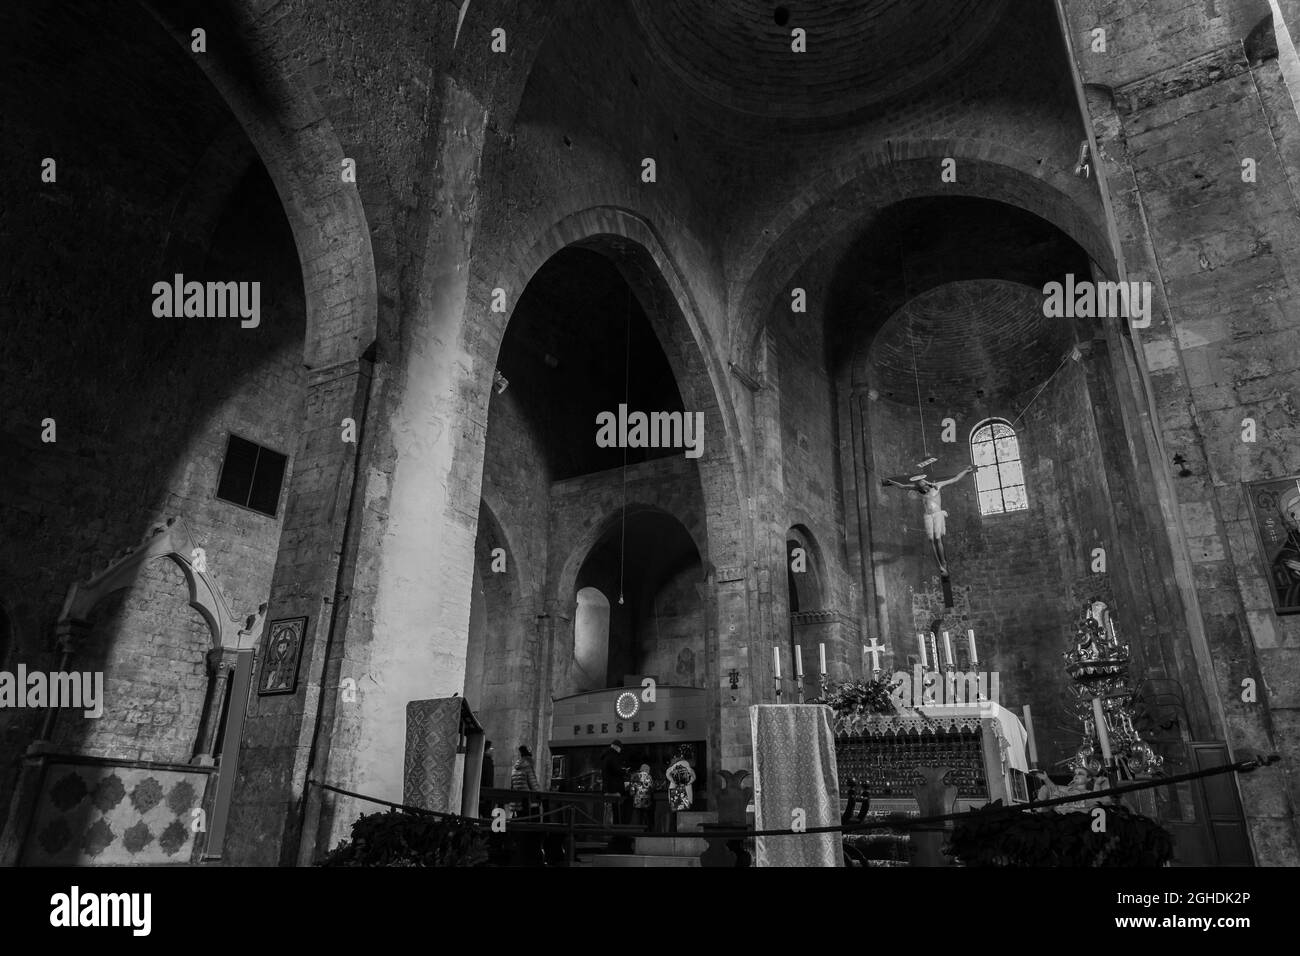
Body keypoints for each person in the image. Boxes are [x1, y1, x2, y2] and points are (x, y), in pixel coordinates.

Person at [881, 465, 974, 576]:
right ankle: (940, 565)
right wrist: (891, 482)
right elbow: (902, 486)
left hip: (937, 514)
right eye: (921, 491)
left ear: (927, 485)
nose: (923, 492)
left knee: (938, 537)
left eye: (924, 490)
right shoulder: (918, 489)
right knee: (931, 540)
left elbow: (954, 479)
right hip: (928, 516)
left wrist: (965, 470)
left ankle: (944, 562)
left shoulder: (937, 486)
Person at [665, 745, 697, 832]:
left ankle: (673, 832)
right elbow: (693, 778)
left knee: (674, 816)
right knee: (685, 816)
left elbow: (669, 778)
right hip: (686, 793)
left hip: (675, 793)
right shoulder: (688, 768)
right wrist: (687, 782)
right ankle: (685, 832)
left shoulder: (672, 769)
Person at [510, 745, 542, 819]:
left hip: (517, 803)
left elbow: (512, 785)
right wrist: (539, 795)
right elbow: (533, 785)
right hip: (528, 803)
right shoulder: (528, 767)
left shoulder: (515, 768)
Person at [601, 739, 627, 825]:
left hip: (607, 788)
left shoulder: (606, 756)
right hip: (614, 789)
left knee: (608, 810)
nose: (620, 751)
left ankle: (607, 830)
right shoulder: (613, 756)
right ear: (616, 747)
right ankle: (614, 832)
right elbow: (616, 770)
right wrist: (624, 771)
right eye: (620, 748)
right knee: (616, 811)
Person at [629, 763, 654, 829]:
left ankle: (638, 829)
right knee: (646, 815)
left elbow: (632, 788)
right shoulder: (649, 777)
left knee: (637, 815)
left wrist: (632, 794)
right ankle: (646, 829)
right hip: (646, 800)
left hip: (637, 800)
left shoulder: (635, 776)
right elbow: (652, 788)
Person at [478, 740, 495, 818]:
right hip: (485, 793)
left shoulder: (480, 759)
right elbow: (488, 779)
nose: (492, 750)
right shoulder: (487, 761)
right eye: (491, 748)